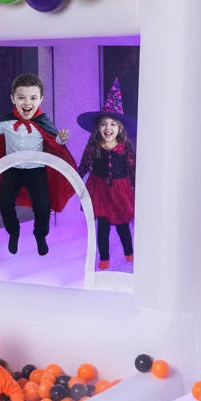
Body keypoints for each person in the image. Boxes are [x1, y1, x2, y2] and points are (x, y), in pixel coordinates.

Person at [0, 73, 76, 256]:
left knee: (42, 205)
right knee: (4, 200)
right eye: (21, 97)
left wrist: (61, 139)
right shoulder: (7, 122)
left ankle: (40, 235)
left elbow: (54, 142)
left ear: (41, 99)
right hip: (12, 169)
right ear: (13, 98)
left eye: (33, 98)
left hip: (36, 170)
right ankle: (13, 232)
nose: (27, 103)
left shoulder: (43, 122)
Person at [77, 78, 136, 270]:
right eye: (104, 124)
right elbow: (85, 163)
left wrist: (137, 189)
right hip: (99, 189)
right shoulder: (94, 144)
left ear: (120, 128)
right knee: (101, 227)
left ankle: (129, 254)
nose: (108, 128)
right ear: (98, 127)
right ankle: (104, 259)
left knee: (122, 226)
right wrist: (76, 178)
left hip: (121, 190)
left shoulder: (125, 146)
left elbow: (133, 168)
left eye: (112, 124)